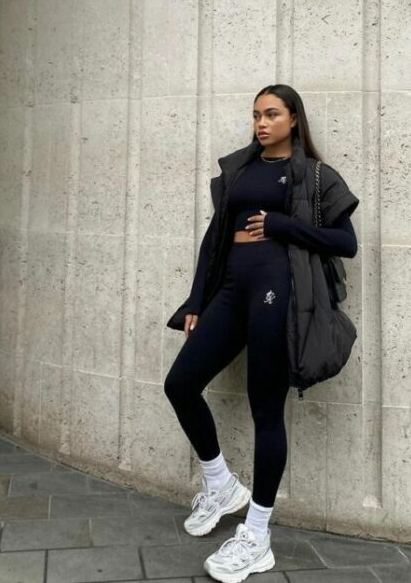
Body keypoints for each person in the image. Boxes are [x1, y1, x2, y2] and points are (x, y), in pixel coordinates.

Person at [164, 84, 358, 583]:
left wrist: (281, 224)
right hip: (231, 291)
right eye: (256, 115)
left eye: (272, 114)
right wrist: (196, 299)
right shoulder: (241, 169)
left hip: (279, 294)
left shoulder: (314, 174)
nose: (261, 123)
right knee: (180, 384)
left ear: (294, 119)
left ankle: (258, 533)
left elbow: (345, 243)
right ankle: (220, 484)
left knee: (265, 410)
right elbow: (215, 238)